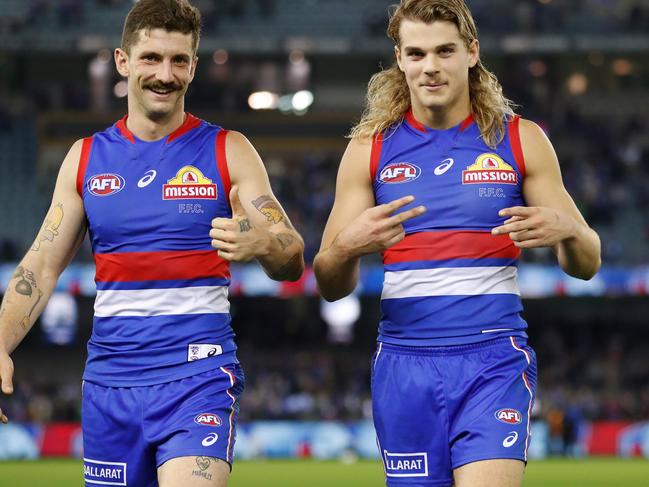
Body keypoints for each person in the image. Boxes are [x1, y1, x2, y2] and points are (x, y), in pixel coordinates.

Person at [0, 0, 304, 485]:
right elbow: (40, 266)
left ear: (194, 66)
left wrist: (262, 244)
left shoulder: (229, 150)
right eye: (151, 59)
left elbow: (291, 254)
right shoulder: (85, 160)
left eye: (178, 60)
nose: (165, 74)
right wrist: (1, 344)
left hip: (198, 380)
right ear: (123, 62)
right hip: (110, 386)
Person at [313, 1, 600, 486]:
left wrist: (569, 230)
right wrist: (345, 248)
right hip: (404, 366)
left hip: (493, 361)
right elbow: (328, 281)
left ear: (471, 52)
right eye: (417, 53)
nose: (431, 67)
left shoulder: (521, 140)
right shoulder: (369, 149)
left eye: (445, 51)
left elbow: (587, 263)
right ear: (400, 59)